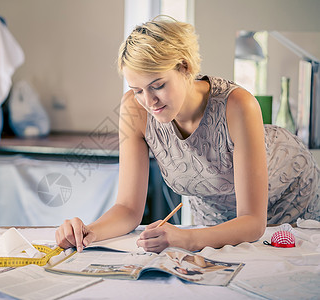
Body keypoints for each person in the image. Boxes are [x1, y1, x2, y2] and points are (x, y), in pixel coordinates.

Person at [55, 15, 320, 253]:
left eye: (157, 85)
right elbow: (127, 208)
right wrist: (90, 232)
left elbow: (252, 222)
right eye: (137, 89)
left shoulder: (238, 105)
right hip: (217, 216)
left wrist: (187, 238)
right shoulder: (135, 109)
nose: (148, 101)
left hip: (290, 194)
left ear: (184, 67)